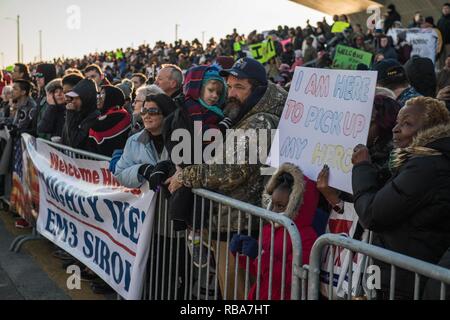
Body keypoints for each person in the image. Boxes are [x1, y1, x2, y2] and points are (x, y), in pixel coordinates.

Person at [165, 57, 288, 299]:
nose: (231, 93)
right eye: (229, 86)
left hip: (240, 227)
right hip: (233, 224)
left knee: (238, 294)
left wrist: (185, 176)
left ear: (259, 91)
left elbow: (229, 171)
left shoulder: (259, 121)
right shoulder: (246, 117)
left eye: (239, 87)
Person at [351, 96, 450, 299]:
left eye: (407, 124)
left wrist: (361, 168)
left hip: (405, 279)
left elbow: (372, 214)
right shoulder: (420, 161)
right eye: (397, 122)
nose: (396, 129)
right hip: (399, 273)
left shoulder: (426, 167)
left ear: (430, 130)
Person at [230, 163, 319, 300]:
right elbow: (259, 271)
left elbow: (293, 278)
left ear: (296, 207)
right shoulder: (268, 229)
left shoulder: (306, 237)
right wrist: (242, 254)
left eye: (280, 206)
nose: (274, 211)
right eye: (273, 204)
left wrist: (259, 256)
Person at [87, 85, 131, 157]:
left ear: (112, 97)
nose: (99, 97)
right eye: (99, 94)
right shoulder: (101, 115)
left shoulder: (122, 116)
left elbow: (98, 126)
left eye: (103, 94)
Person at [61, 79, 99, 150]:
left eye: (77, 98)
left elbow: (75, 142)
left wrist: (70, 114)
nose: (73, 101)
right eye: (73, 98)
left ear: (86, 99)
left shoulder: (94, 117)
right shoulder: (78, 112)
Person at [34, 63, 57, 139]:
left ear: (48, 75)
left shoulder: (57, 96)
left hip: (49, 143)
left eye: (40, 75)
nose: (37, 78)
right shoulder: (42, 94)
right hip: (41, 140)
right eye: (36, 75)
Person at [438, 3, 450, 69]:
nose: (445, 10)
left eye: (447, 8)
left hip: (449, 44)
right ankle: (442, 78)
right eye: (444, 8)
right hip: (441, 45)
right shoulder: (440, 21)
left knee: (448, 62)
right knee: (442, 62)